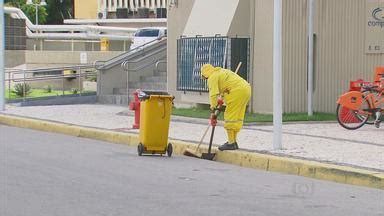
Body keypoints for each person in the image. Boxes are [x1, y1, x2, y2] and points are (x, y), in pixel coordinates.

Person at [201, 64, 251, 151]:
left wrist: (213, 110)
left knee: (230, 117)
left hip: (237, 92)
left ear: (205, 75)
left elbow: (213, 96)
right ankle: (233, 142)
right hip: (246, 89)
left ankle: (231, 143)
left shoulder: (212, 77)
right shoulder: (222, 72)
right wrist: (220, 101)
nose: (205, 80)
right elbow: (225, 90)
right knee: (237, 118)